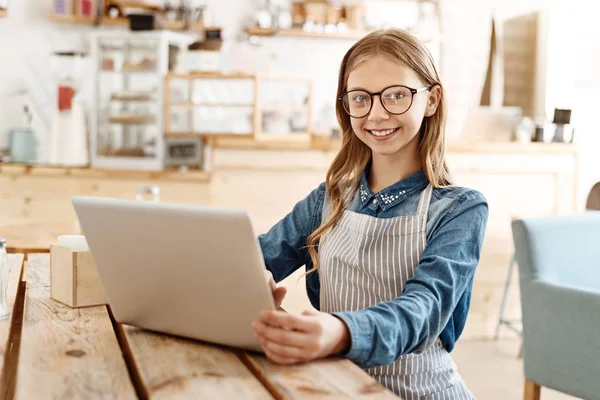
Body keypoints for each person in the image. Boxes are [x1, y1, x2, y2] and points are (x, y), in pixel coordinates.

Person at [252, 28, 488, 399]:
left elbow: (421, 311)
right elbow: (254, 259)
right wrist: (249, 286)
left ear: (431, 99)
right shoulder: (328, 199)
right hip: (339, 388)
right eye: (360, 98)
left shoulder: (460, 209)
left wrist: (340, 332)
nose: (376, 114)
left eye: (396, 95)